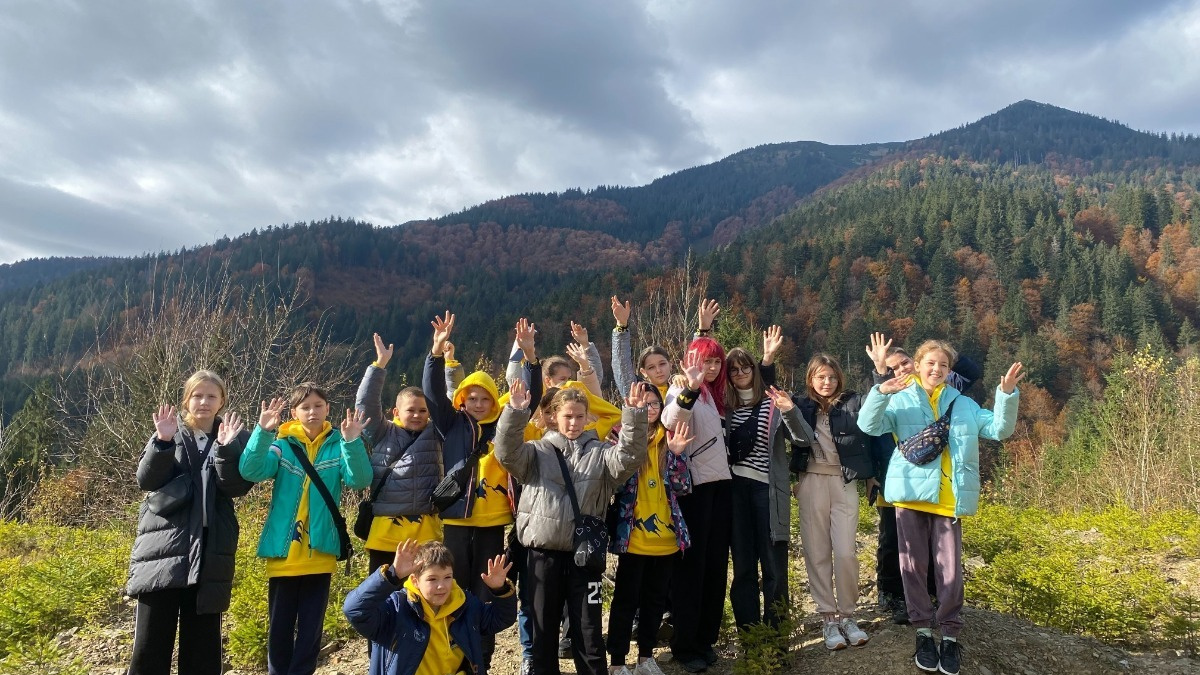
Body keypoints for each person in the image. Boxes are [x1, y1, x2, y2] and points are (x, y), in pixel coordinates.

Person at [858, 340, 1023, 675]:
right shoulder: (900, 399)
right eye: (930, 363)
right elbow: (869, 426)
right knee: (913, 566)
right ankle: (922, 629)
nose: (936, 370)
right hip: (909, 496)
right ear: (918, 365)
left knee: (949, 570)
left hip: (949, 498)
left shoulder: (963, 404)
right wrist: (880, 390)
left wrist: (1005, 395)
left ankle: (949, 633)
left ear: (950, 372)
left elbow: (999, 430)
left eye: (943, 366)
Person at [494, 380, 650, 675]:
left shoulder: (601, 453)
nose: (574, 422)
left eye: (580, 416)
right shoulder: (536, 451)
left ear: (588, 417)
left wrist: (634, 415)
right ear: (554, 416)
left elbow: (629, 458)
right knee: (543, 631)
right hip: (542, 555)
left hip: (584, 557)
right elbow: (506, 454)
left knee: (589, 632)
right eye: (567, 415)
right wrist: (514, 413)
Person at [425, 313, 539, 672]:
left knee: (485, 591)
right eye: (471, 397)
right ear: (461, 399)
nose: (477, 403)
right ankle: (452, 656)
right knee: (453, 587)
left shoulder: (506, 423)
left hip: (492, 522)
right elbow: (431, 394)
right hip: (457, 521)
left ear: (494, 401)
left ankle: (481, 659)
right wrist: (436, 352)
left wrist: (531, 358)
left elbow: (531, 400)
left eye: (484, 398)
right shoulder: (452, 424)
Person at [240, 385, 372, 675]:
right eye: (305, 407)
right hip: (284, 552)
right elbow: (251, 470)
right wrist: (262, 431)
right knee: (280, 628)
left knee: (311, 630)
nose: (312, 412)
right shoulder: (281, 444)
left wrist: (352, 442)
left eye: (318, 405)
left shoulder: (339, 444)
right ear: (294, 413)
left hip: (320, 550)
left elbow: (359, 480)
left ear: (327, 409)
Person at [126, 370, 252, 675]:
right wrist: (163, 441)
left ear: (222, 400)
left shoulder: (235, 436)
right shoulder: (171, 431)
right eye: (197, 395)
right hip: (165, 546)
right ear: (187, 399)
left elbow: (235, 487)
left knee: (203, 644)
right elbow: (147, 479)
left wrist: (226, 448)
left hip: (211, 547)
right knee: (151, 642)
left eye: (211, 396)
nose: (204, 402)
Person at [863, 334, 980, 625]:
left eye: (903, 363)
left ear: (913, 364)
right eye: (892, 368)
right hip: (891, 479)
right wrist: (879, 375)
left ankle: (930, 598)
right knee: (893, 543)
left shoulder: (941, 389)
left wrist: (941, 351)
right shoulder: (890, 392)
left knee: (929, 546)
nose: (899, 370)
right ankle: (892, 597)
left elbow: (972, 373)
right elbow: (868, 427)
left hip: (931, 483)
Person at [724, 346, 815, 637]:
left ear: (754, 370)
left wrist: (789, 410)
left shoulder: (773, 402)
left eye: (746, 368)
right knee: (743, 568)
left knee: (774, 568)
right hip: (735, 492)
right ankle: (751, 638)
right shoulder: (724, 405)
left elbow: (804, 438)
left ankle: (776, 637)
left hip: (768, 491)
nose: (740, 374)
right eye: (734, 370)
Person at [792, 353, 880, 650]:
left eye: (831, 377)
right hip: (811, 481)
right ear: (811, 380)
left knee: (845, 552)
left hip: (844, 482)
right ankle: (828, 619)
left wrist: (879, 371)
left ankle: (848, 615)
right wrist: (766, 360)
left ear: (838, 378)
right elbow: (770, 399)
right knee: (816, 551)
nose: (827, 382)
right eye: (820, 377)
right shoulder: (801, 405)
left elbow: (874, 409)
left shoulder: (852, 403)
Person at [606, 387, 694, 675]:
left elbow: (682, 487)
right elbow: (614, 482)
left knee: (655, 600)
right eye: (644, 404)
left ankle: (646, 657)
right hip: (633, 536)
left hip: (667, 537)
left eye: (655, 402)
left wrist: (677, 455)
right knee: (625, 600)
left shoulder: (669, 439)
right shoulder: (620, 436)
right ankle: (618, 662)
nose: (650, 408)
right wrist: (632, 444)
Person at [661, 318, 730, 673]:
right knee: (693, 570)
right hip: (696, 491)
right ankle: (685, 645)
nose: (713, 367)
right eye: (708, 361)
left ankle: (706, 639)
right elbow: (670, 419)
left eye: (717, 362)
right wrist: (690, 384)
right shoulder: (684, 389)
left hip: (721, 488)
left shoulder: (715, 397)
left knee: (716, 568)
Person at [343, 539, 518, 675]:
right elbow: (354, 609)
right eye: (432, 579)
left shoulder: (465, 604)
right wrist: (392, 575)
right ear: (414, 580)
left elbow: (502, 618)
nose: (442, 586)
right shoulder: (396, 609)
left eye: (447, 577)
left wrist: (499, 589)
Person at [357, 333, 445, 576]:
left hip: (425, 532)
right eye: (411, 410)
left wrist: (447, 361)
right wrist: (379, 366)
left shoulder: (436, 433)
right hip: (386, 532)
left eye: (423, 410)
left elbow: (449, 400)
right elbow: (365, 404)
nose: (417, 415)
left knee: (421, 596)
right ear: (396, 411)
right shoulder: (383, 432)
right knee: (381, 593)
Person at [610, 295, 674, 399]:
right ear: (644, 372)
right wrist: (621, 325)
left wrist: (703, 330)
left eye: (662, 364)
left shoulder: (681, 389)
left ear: (670, 365)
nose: (658, 370)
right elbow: (622, 366)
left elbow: (698, 367)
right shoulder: (639, 394)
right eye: (651, 367)